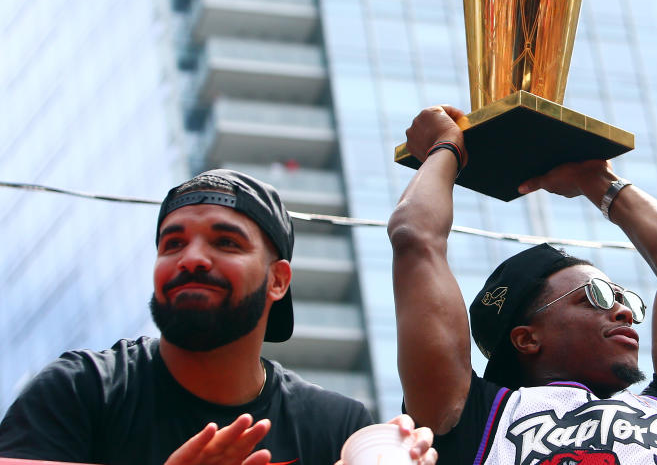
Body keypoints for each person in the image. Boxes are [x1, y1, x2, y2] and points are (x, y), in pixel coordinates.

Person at [0, 169, 437, 465]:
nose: (190, 258)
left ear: (278, 281)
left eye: (226, 243)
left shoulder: (336, 427)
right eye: (172, 244)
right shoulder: (82, 389)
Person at [387, 106, 657, 465]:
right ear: (527, 338)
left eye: (621, 297)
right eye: (594, 296)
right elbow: (415, 239)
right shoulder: (471, 418)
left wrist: (595, 180)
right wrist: (446, 148)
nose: (625, 311)